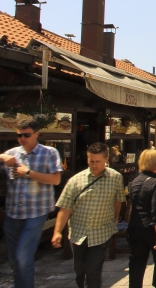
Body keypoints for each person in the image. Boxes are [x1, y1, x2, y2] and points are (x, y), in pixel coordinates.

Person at [52, 142, 126, 288]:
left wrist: (115, 219)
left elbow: (118, 200)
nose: (94, 164)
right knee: (79, 270)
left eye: (98, 161)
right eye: (91, 161)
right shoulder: (75, 181)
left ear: (106, 160)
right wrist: (57, 232)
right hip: (79, 233)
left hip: (101, 232)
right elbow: (65, 207)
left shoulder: (115, 178)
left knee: (93, 270)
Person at [0, 119, 62, 288]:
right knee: (14, 258)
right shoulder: (12, 153)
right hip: (13, 213)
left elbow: (56, 179)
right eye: (19, 135)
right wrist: (1, 156)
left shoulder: (49, 153)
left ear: (36, 133)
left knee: (22, 256)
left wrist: (28, 173)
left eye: (27, 134)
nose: (23, 138)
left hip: (36, 213)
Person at [128, 149, 156, 288]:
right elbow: (155, 211)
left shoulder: (134, 181)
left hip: (135, 226)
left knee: (136, 264)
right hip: (151, 229)